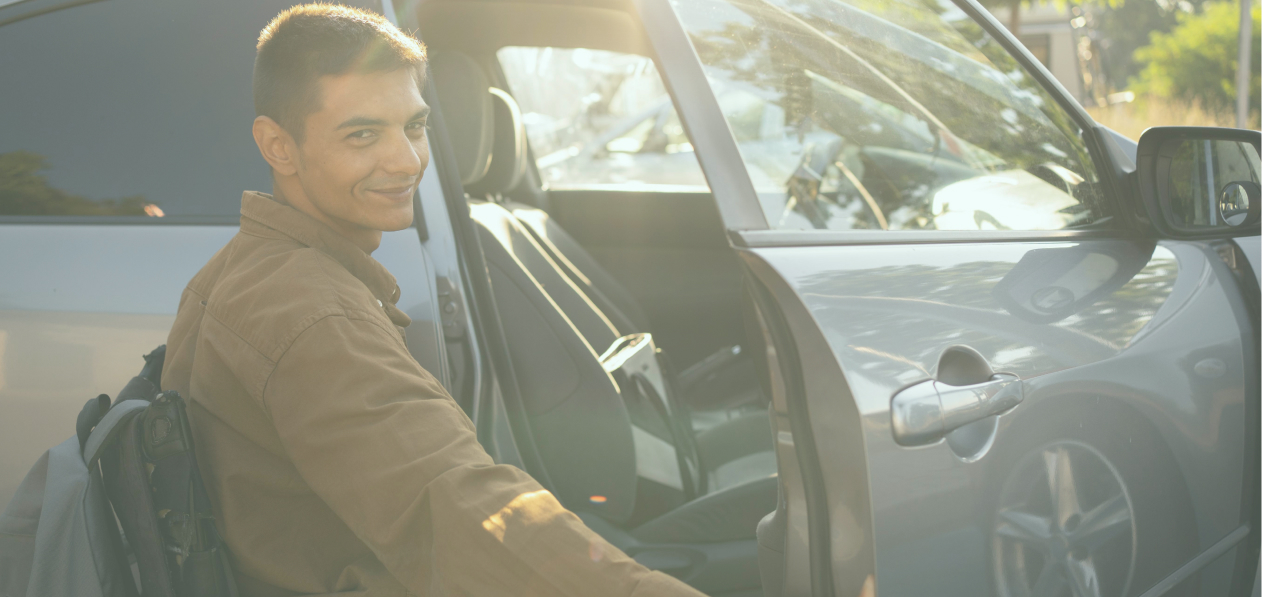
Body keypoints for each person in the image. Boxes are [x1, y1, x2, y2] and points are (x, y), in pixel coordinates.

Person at [161, 4, 706, 595]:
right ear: (278, 146)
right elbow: (457, 506)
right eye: (362, 134)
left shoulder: (250, 269)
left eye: (414, 127)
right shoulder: (312, 314)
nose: (406, 161)